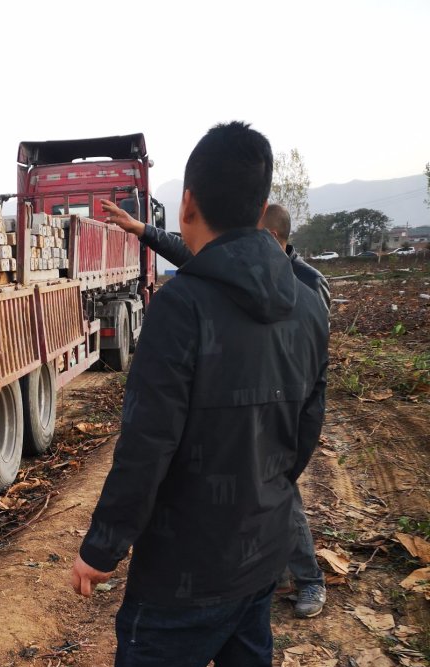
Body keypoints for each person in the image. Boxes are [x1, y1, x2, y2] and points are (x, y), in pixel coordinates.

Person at [39, 122, 329, 667]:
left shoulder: (181, 309)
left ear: (190, 200)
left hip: (185, 565)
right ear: (264, 204)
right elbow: (305, 433)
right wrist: (265, 491)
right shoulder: (307, 302)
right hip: (261, 549)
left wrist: (101, 549)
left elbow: (144, 450)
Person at [102, 197, 329, 619]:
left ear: (272, 238)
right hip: (240, 398)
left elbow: (314, 389)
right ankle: (268, 570)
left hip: (275, 404)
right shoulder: (237, 272)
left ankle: (310, 580)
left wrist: (284, 467)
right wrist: (141, 229)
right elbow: (189, 252)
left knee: (281, 495)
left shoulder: (307, 284)